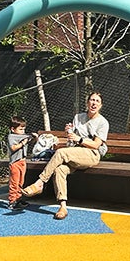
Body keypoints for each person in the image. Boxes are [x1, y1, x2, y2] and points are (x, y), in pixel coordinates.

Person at [21, 91, 109, 220]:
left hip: (91, 154)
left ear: (100, 105)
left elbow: (96, 145)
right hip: (74, 152)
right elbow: (71, 138)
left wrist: (79, 139)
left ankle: (40, 183)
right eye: (92, 100)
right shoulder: (78, 117)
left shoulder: (102, 122)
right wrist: (69, 131)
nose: (94, 103)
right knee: (59, 169)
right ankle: (63, 206)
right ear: (87, 102)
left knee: (61, 152)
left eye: (97, 101)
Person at [6, 116, 36, 210]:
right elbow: (13, 148)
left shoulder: (23, 136)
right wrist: (23, 143)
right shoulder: (11, 137)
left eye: (24, 129)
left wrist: (34, 137)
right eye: (20, 129)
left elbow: (32, 141)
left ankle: (18, 199)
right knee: (14, 183)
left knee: (21, 182)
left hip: (23, 161)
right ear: (12, 129)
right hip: (15, 163)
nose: (23, 131)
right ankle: (12, 201)